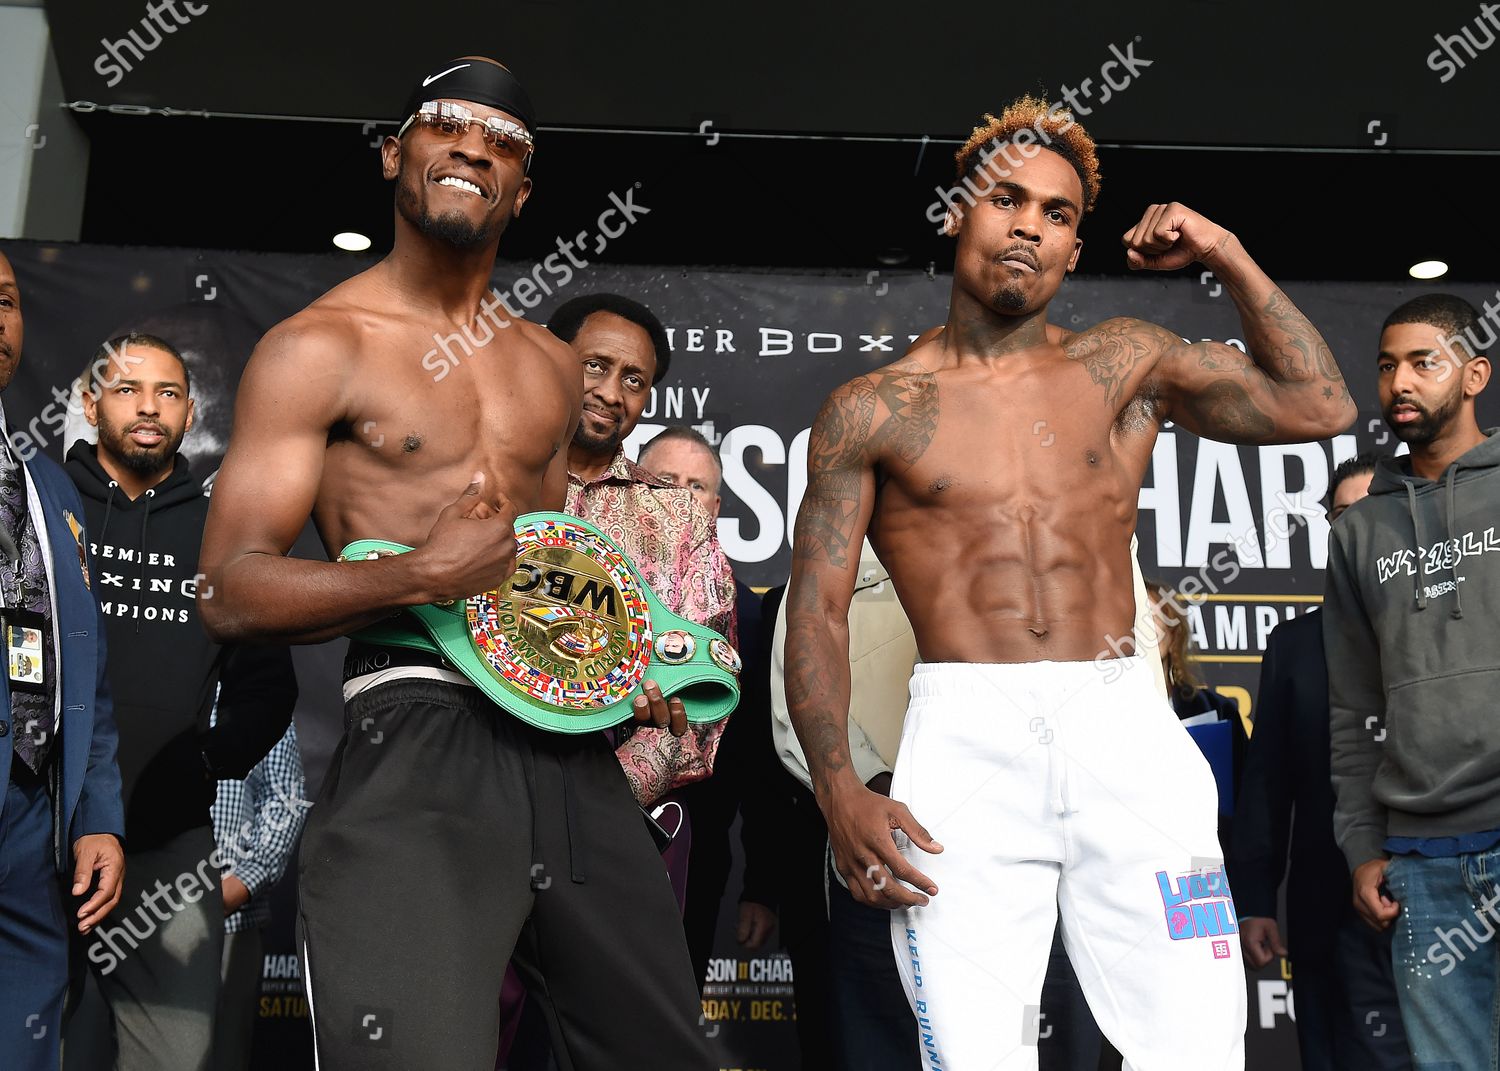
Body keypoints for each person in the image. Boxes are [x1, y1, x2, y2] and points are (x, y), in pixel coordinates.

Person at [785, 96, 1354, 1069]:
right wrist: (839, 789)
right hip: (965, 737)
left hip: (1123, 723)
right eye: (1008, 200)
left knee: (1196, 1042)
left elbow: (1321, 404)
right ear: (960, 211)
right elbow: (819, 609)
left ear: (1075, 244)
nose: (1029, 228)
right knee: (974, 1052)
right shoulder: (873, 408)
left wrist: (1220, 248)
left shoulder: (1123, 366)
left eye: (1056, 214)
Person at [196, 59, 711, 1070]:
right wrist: (417, 578)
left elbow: (544, 567)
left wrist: (620, 658)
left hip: (570, 752)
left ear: (523, 191)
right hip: (416, 730)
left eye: (506, 142)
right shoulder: (318, 348)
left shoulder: (551, 367)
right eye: (447, 125)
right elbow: (226, 589)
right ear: (396, 152)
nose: (475, 147)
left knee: (663, 1053)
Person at [64, 331, 297, 1071]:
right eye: (129, 387)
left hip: (169, 844)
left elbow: (270, 685)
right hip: (37, 827)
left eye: (168, 393)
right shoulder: (43, 502)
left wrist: (201, 763)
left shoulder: (220, 529)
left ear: (191, 412)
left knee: (176, 1057)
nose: (148, 407)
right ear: (90, 398)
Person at [1326, 294, 1500, 1070]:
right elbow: (1352, 707)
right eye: (1388, 364)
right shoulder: (1362, 529)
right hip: (1423, 861)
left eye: (1423, 362)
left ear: (1474, 374)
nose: (1400, 381)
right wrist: (1364, 847)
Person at [1231, 453, 1411, 1070]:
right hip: (1321, 911)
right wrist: (1255, 897)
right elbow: (1267, 785)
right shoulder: (1294, 646)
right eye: (1340, 518)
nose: (1354, 531)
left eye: (1371, 514)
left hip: (1438, 899)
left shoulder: (1444, 631)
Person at [0, 249, 125, 1071]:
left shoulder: (48, 485)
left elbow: (88, 671)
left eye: (5, 301)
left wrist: (98, 816)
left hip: (35, 819)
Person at [637, 425, 780, 987]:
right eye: (664, 481)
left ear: (716, 507)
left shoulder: (746, 615)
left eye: (695, 486)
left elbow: (764, 763)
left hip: (695, 854)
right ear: (630, 487)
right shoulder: (583, 586)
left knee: (667, 1022)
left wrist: (762, 887)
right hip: (574, 837)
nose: (679, 496)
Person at [210, 722, 307, 1071]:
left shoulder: (254, 693)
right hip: (138, 915)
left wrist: (239, 885)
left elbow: (287, 801)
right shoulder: (140, 684)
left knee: (223, 1053)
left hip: (231, 919)